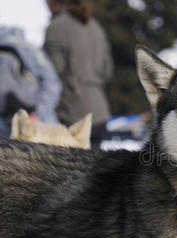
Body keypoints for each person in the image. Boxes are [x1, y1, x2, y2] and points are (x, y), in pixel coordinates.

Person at [44, 0, 113, 147]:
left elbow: (51, 72)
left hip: (71, 116)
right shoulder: (95, 27)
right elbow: (107, 71)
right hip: (99, 113)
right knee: (93, 168)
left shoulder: (57, 27)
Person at [0, 26, 61, 137]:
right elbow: (52, 83)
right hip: (39, 125)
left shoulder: (23, 48)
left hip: (8, 128)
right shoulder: (30, 48)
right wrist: (38, 114)